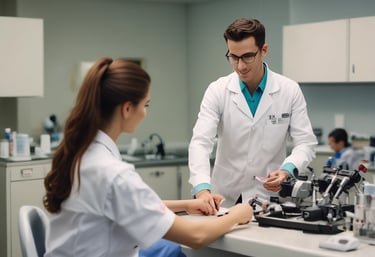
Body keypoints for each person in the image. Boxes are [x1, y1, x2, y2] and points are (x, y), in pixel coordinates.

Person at [43, 57, 253, 257]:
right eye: (145, 105)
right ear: (127, 108)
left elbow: (122, 203)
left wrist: (186, 205)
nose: (145, 112)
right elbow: (196, 237)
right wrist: (237, 214)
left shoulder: (83, 155)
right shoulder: (113, 174)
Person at [188, 18, 317, 212]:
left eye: (248, 56)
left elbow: (306, 143)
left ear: (263, 50)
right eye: (233, 57)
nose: (240, 66)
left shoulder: (289, 90)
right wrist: (201, 188)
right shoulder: (217, 90)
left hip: (268, 198)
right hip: (224, 197)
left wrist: (287, 169)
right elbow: (200, 142)